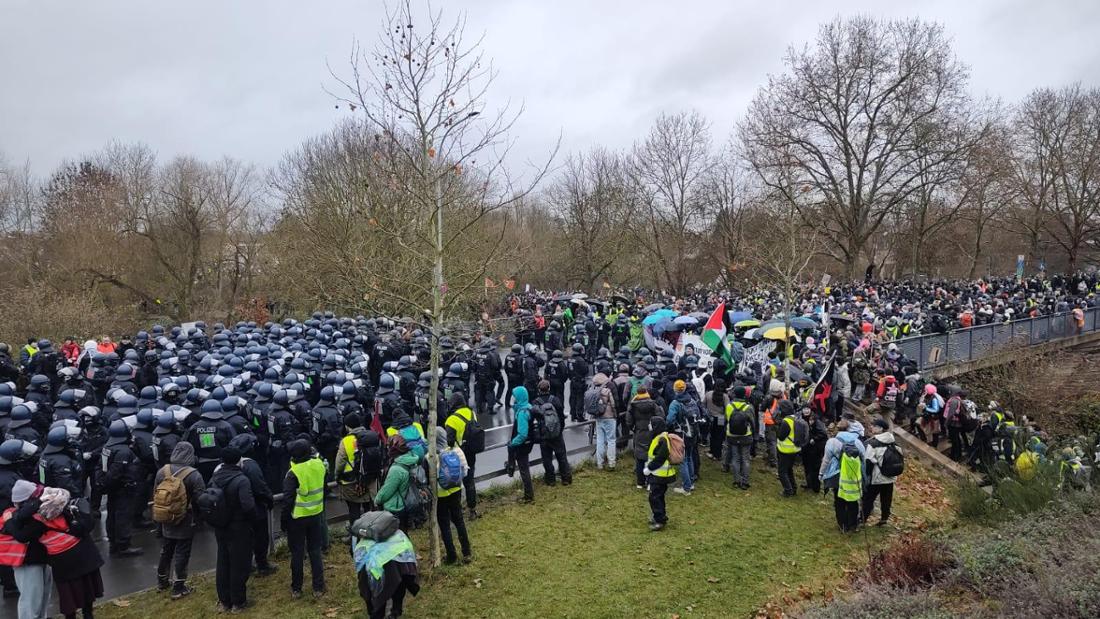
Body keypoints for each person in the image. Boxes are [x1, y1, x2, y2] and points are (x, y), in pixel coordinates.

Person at [153, 442, 205, 599]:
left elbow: (155, 493)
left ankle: (162, 581)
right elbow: (200, 499)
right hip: (185, 518)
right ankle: (179, 587)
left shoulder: (163, 471)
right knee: (182, 551)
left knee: (166, 550)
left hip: (165, 517)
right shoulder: (194, 474)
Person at [209, 445, 255, 613]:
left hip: (221, 526)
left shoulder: (215, 477)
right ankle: (238, 602)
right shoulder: (241, 480)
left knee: (223, 562)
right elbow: (248, 505)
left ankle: (224, 601)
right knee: (239, 564)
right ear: (238, 461)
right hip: (239, 526)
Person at [281, 439, 327, 600]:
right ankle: (318, 587)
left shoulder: (293, 473)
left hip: (297, 517)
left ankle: (297, 588)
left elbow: (287, 500)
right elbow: (325, 488)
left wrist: (283, 521)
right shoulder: (319, 465)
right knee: (315, 551)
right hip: (316, 513)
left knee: (297, 553)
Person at [227, 434, 277, 578]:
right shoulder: (250, 465)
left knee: (242, 540)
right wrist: (269, 499)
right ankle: (262, 566)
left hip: (234, 511)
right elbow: (260, 487)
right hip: (254, 508)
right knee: (260, 538)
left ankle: (245, 565)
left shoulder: (224, 464)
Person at [0, 480, 52, 619]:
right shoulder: (18, 518)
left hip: (38, 560)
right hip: (28, 563)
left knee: (40, 600)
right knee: (31, 602)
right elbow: (22, 536)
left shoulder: (15, 517)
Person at [100, 420, 143, 557]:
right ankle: (123, 546)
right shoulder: (123, 451)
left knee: (112, 515)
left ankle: (114, 543)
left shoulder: (108, 446)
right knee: (123, 516)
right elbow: (115, 473)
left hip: (114, 489)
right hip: (123, 489)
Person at [819, 420, 866, 532]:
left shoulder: (832, 442)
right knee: (852, 500)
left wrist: (821, 473)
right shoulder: (857, 442)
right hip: (853, 474)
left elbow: (826, 460)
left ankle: (843, 525)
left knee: (839, 500)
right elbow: (863, 458)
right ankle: (853, 525)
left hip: (837, 474)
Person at [433, 428, 472, 564]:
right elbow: (465, 472)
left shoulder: (431, 457)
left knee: (444, 525)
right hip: (457, 490)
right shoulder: (457, 450)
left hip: (440, 494)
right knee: (459, 520)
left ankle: (452, 556)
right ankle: (467, 552)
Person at [335, 413, 380, 525]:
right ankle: (370, 533)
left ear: (347, 426)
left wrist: (337, 476)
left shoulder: (346, 441)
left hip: (351, 481)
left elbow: (339, 463)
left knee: (354, 510)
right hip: (369, 479)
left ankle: (355, 537)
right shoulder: (371, 436)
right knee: (368, 509)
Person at [443, 396, 480, 520]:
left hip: (457, 456)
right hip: (471, 453)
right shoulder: (471, 413)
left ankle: (456, 512)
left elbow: (449, 441)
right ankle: (472, 510)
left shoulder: (451, 420)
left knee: (455, 484)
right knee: (470, 482)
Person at [373, 439, 420, 530]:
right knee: (403, 535)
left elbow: (388, 490)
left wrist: (377, 499)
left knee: (396, 538)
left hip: (395, 507)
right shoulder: (411, 459)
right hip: (406, 502)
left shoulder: (397, 469)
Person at [531, 381, 571, 486]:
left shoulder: (536, 402)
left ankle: (550, 480)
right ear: (549, 388)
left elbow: (533, 418)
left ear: (539, 389)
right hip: (557, 434)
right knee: (561, 456)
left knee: (547, 459)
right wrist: (560, 429)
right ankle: (566, 478)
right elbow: (561, 416)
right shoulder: (555, 400)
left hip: (544, 434)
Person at [863, 418, 899, 526]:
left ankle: (863, 518)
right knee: (886, 499)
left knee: (868, 498)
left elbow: (868, 460)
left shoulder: (873, 443)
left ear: (880, 429)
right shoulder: (893, 442)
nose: (871, 427)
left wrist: (867, 477)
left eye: (874, 426)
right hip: (890, 477)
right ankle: (884, 519)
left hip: (877, 477)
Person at [642, 417, 675, 531]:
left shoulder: (661, 439)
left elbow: (661, 457)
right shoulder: (660, 437)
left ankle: (659, 520)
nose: (649, 426)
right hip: (659, 474)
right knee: (658, 497)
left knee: (655, 497)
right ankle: (659, 517)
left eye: (651, 424)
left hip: (659, 475)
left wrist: (649, 468)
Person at [626, 386, 661, 489]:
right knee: (651, 456)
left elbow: (628, 420)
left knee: (639, 458)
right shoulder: (653, 404)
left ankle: (640, 482)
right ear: (646, 392)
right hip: (651, 433)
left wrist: (634, 428)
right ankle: (650, 481)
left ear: (637, 393)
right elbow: (660, 416)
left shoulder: (633, 405)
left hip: (639, 432)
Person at [666, 380, 696, 496]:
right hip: (693, 433)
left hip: (681, 433)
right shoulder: (692, 400)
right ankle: (691, 483)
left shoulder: (675, 403)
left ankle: (686, 487)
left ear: (675, 389)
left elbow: (669, 420)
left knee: (682, 460)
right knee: (689, 457)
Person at [505, 386, 535, 503]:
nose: (513, 399)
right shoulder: (528, 407)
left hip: (522, 445)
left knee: (524, 470)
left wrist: (513, 443)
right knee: (524, 467)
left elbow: (522, 434)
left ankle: (529, 496)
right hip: (527, 444)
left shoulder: (522, 413)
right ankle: (510, 467)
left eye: (515, 397)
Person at [723, 386, 756, 490]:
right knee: (745, 459)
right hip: (745, 436)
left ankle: (736, 480)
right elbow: (753, 423)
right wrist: (754, 434)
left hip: (732, 435)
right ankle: (745, 482)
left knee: (735, 458)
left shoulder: (729, 406)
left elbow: (726, 420)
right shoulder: (749, 407)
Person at [774, 400, 802, 497]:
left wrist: (777, 428)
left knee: (782, 472)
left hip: (786, 450)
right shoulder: (796, 418)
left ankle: (788, 490)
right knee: (789, 469)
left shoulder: (786, 421)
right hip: (795, 449)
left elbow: (781, 436)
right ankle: (793, 488)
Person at [590, 373, 617, 471]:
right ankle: (611, 463)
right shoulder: (607, 391)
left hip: (598, 418)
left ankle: (600, 464)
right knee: (611, 440)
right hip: (609, 418)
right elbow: (613, 404)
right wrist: (615, 415)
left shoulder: (592, 391)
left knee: (600, 440)